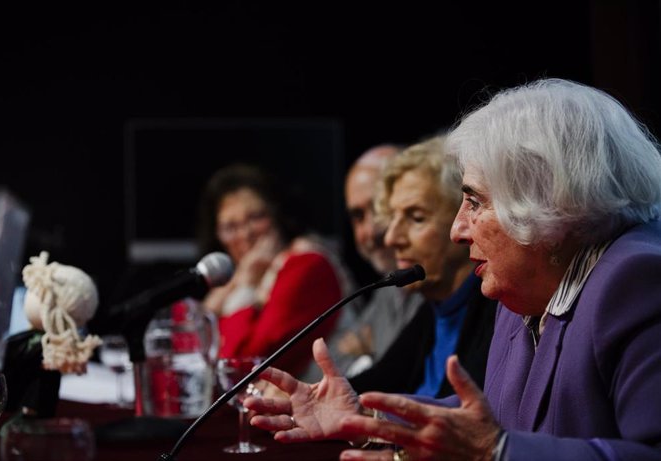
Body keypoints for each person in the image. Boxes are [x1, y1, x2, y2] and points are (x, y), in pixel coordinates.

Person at [245, 78, 661, 461]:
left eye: (475, 202)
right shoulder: (523, 292)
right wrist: (369, 417)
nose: (458, 229)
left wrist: (497, 452)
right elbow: (486, 420)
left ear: (549, 204)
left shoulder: (637, 281)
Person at [348, 137, 495, 396]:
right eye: (392, 218)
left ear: (463, 222)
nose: (392, 238)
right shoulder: (433, 311)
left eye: (416, 218)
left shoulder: (496, 312)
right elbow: (375, 384)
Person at [197, 163, 350, 376]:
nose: (245, 234)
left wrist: (248, 283)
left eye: (256, 217)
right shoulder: (227, 285)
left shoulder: (308, 266)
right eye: (230, 227)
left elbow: (242, 366)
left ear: (278, 214)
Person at [303, 144, 424, 380]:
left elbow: (400, 380)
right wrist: (366, 359)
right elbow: (321, 366)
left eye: (381, 207)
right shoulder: (386, 290)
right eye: (358, 216)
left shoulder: (437, 286)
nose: (371, 230)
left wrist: (368, 359)